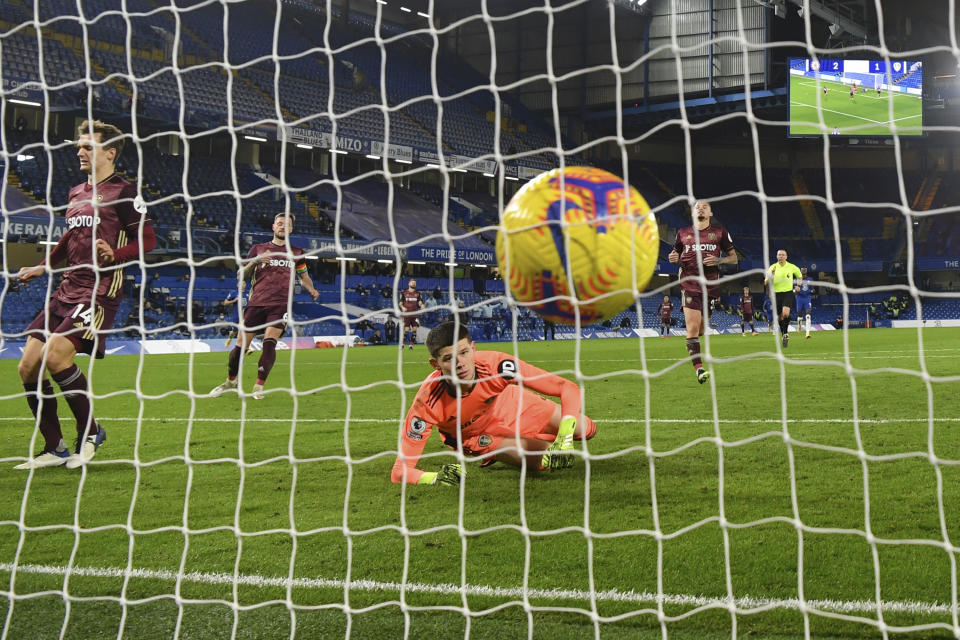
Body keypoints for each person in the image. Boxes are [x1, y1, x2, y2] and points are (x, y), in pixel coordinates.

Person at [15, 119, 156, 469]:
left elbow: (149, 240)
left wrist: (116, 255)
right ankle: (56, 447)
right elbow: (68, 239)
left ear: (109, 153)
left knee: (56, 358)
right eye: (78, 145)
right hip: (67, 287)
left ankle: (91, 432)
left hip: (99, 290)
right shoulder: (75, 193)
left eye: (87, 146)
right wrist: (42, 266)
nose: (79, 150)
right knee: (27, 367)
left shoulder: (125, 191)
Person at [390, 322, 597, 485]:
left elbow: (566, 387)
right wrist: (433, 477)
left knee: (586, 429)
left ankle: (535, 439)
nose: (460, 364)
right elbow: (400, 471)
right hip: (478, 435)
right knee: (546, 462)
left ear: (473, 348)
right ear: (436, 364)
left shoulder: (496, 365)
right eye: (448, 359)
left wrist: (565, 437)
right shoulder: (427, 402)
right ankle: (497, 452)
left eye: (464, 353)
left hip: (514, 404)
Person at [208, 213, 319, 400]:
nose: (283, 227)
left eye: (287, 224)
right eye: (280, 223)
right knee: (240, 346)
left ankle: (258, 387)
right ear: (273, 227)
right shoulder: (258, 249)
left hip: (281, 304)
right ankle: (231, 382)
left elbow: (303, 276)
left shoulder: (298, 252)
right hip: (257, 303)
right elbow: (241, 274)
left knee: (270, 342)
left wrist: (312, 289)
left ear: (292, 229)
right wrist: (255, 261)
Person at [667, 200, 737, 384]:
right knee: (691, 328)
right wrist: (672, 258)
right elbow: (675, 256)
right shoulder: (682, 233)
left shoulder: (720, 232)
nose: (700, 207)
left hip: (710, 286)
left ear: (710, 213)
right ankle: (699, 369)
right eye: (697, 206)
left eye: (704, 206)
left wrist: (719, 261)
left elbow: (734, 259)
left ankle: (694, 346)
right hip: (689, 284)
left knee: (701, 330)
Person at [764, 249, 803, 348]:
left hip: (787, 292)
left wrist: (798, 285)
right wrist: (771, 275)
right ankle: (784, 333)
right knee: (779, 317)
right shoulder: (772, 267)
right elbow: (766, 283)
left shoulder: (792, 266)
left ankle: (785, 333)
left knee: (785, 313)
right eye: (779, 255)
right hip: (776, 294)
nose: (781, 256)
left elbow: (800, 276)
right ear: (777, 256)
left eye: (783, 255)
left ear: (786, 256)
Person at [221, 279, 249, 347]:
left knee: (245, 331)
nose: (242, 285)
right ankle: (229, 339)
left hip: (245, 315)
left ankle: (246, 347)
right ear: (237, 285)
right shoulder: (233, 292)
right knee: (234, 331)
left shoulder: (248, 293)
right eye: (241, 283)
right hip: (236, 315)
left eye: (244, 283)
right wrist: (234, 300)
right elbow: (225, 303)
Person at [400, 279, 425, 349]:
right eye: (412, 282)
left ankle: (411, 345)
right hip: (407, 314)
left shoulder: (418, 293)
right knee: (406, 330)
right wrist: (402, 307)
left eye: (415, 283)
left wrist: (421, 305)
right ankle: (403, 344)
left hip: (415, 314)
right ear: (409, 283)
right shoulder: (404, 292)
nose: (414, 284)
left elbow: (420, 301)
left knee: (414, 330)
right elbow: (401, 302)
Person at [794, 266, 813, 339]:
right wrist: (796, 291)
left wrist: (812, 291)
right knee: (799, 316)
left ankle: (807, 333)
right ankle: (799, 325)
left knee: (808, 315)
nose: (804, 271)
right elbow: (794, 292)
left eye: (805, 270)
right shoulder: (796, 280)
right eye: (802, 270)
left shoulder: (810, 279)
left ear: (806, 271)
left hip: (807, 298)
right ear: (800, 271)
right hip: (799, 298)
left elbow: (812, 289)